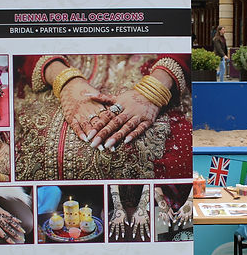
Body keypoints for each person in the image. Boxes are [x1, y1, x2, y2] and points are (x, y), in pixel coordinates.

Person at [15, 53, 191, 181]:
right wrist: (65, 79)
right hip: (58, 62)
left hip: (153, 65)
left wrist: (156, 87)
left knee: (174, 154)